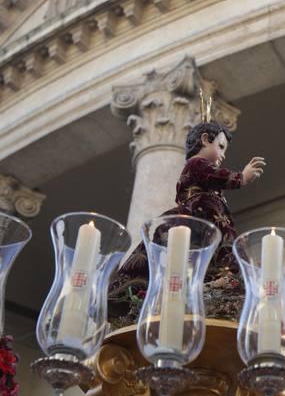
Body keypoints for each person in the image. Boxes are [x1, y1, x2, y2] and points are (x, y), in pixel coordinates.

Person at [108, 121, 265, 324]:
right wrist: (241, 177)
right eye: (220, 146)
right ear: (205, 140)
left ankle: (220, 277)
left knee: (215, 248)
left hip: (209, 215)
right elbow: (215, 176)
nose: (223, 155)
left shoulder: (202, 174)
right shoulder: (196, 164)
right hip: (199, 214)